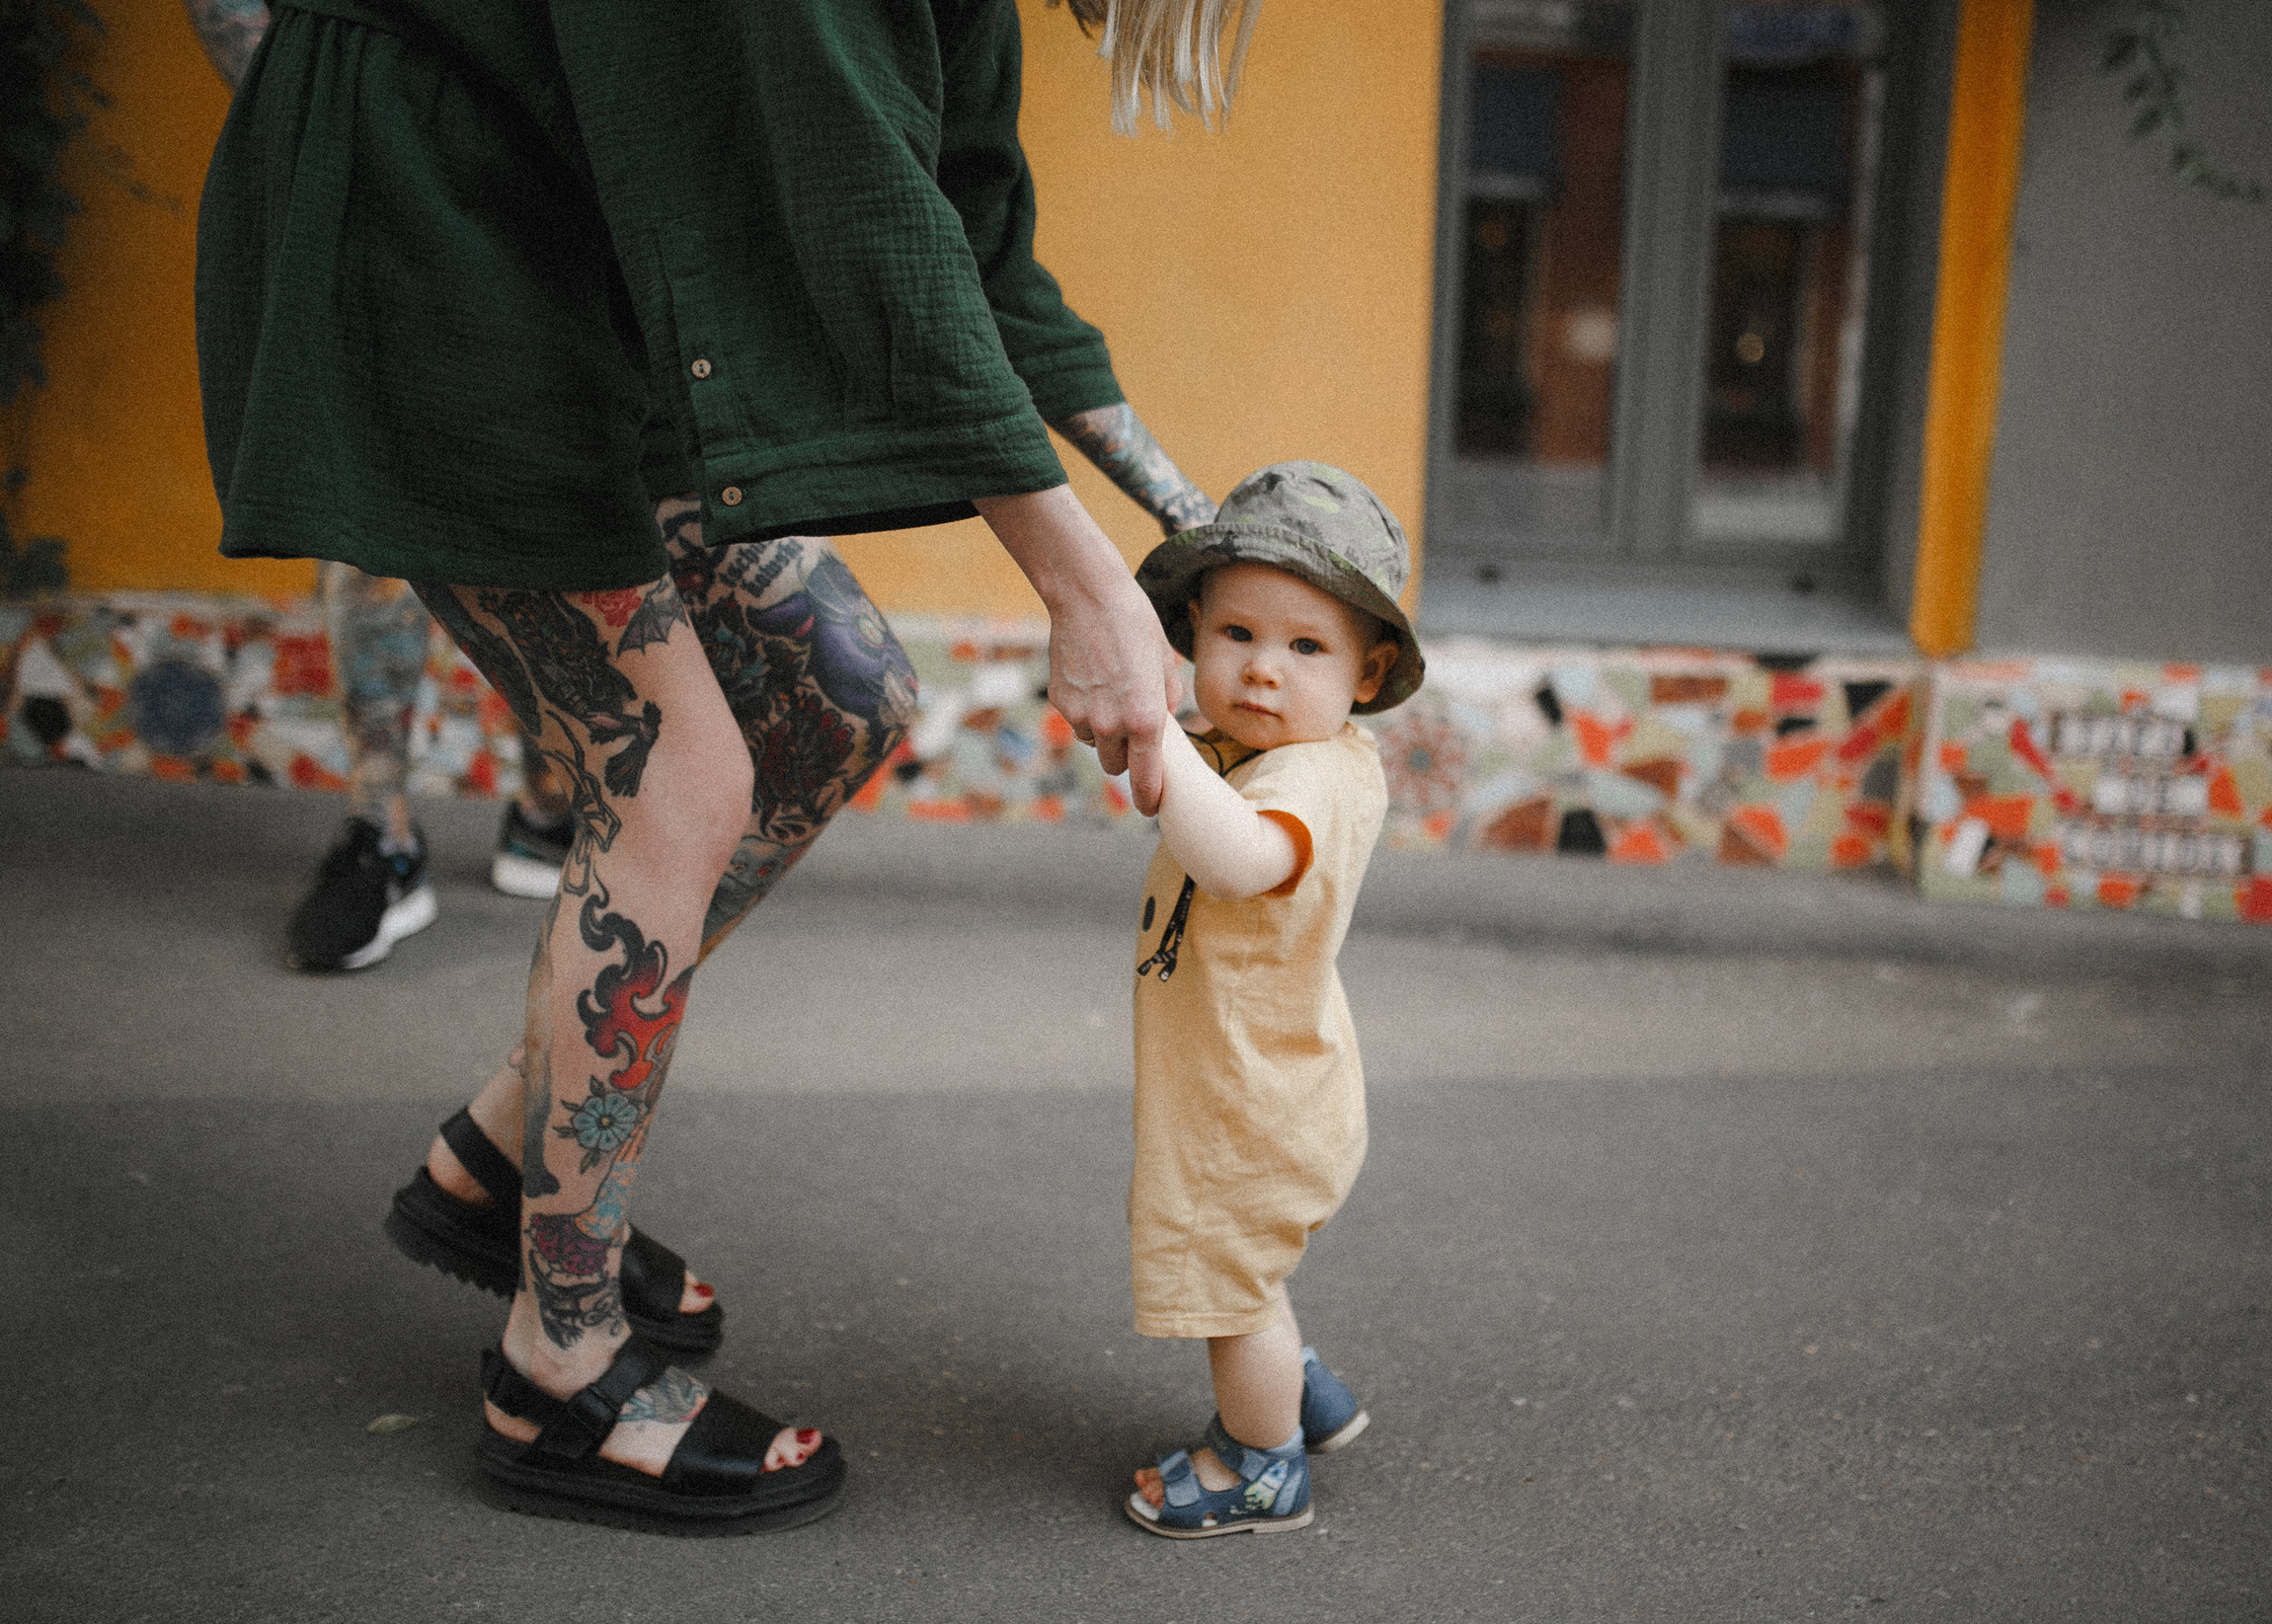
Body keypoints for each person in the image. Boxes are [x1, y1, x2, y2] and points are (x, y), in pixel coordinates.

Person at [196, 0, 1252, 1535]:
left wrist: (1194, 526)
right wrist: (1084, 587)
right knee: (679, 771)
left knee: (836, 690)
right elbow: (863, 232)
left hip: (563, 241)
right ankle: (558, 1362)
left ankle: (505, 1159)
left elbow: (967, 248)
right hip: (429, 224)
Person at [185, 3, 582, 970]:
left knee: (563, 466)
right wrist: (325, 114)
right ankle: (383, 834)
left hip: (548, 165)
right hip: (370, 152)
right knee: (372, 486)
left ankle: (551, 805)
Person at [1118, 463, 1421, 1537]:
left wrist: (1155, 745)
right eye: (1236, 634)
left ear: (1367, 670)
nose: (1261, 671)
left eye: (1306, 648)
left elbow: (1244, 860)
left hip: (1252, 1105)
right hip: (1262, 1081)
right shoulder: (1263, 749)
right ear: (1194, 631)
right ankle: (1303, 1394)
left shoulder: (1307, 777)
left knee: (1227, 1283)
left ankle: (1261, 1461)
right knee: (1243, 1266)